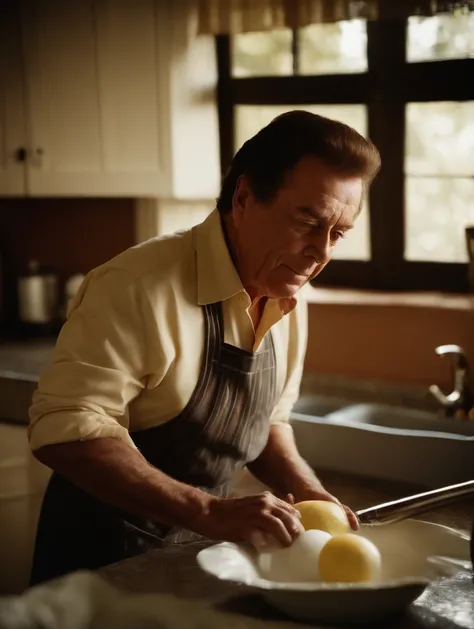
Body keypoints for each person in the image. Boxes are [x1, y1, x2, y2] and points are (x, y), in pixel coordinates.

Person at [28, 110, 381, 585]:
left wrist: (310, 493)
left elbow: (267, 421)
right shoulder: (136, 287)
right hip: (96, 571)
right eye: (307, 221)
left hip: (194, 563)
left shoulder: (291, 291)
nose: (321, 253)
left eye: (337, 234)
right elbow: (65, 429)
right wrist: (212, 512)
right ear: (244, 196)